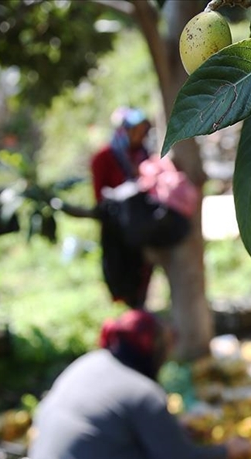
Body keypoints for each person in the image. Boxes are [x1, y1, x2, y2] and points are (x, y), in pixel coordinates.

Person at [24, 310, 251, 459]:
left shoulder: (88, 362)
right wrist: (227, 450)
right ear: (154, 349)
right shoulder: (143, 392)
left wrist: (170, 429)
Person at [90, 108, 154, 309]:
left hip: (143, 226)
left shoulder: (144, 155)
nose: (140, 136)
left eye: (143, 131)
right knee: (122, 272)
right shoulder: (104, 158)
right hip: (118, 228)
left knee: (143, 271)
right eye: (136, 130)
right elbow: (101, 195)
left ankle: (141, 307)